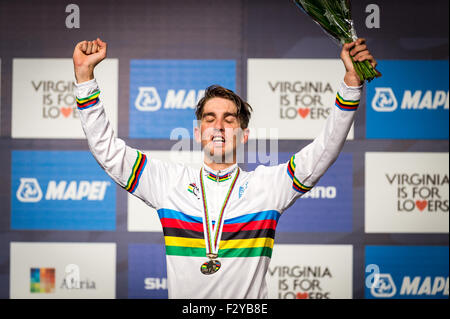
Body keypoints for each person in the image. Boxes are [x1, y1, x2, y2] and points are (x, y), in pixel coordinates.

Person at [72, 37, 377, 299]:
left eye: (229, 119)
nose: (218, 126)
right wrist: (85, 78)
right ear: (196, 133)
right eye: (209, 118)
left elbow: (323, 151)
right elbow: (108, 152)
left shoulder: (267, 186)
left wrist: (351, 84)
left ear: (244, 135)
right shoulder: (168, 182)